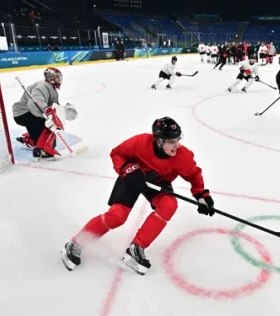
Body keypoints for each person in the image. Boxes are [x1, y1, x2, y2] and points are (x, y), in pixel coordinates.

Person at [61, 117, 215, 275]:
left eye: (177, 139)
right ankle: (76, 243)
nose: (176, 145)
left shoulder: (183, 156)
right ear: (158, 141)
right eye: (171, 141)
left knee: (169, 205)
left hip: (158, 181)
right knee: (117, 216)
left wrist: (201, 195)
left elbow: (194, 175)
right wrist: (127, 168)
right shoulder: (140, 142)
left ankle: (136, 248)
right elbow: (117, 153)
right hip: (133, 176)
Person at [13, 67, 64, 159]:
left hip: (30, 114)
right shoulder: (42, 86)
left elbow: (54, 106)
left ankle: (28, 140)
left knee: (48, 131)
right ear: (50, 78)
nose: (59, 79)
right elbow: (34, 104)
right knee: (47, 129)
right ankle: (40, 150)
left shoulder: (51, 89)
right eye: (57, 77)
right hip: (24, 113)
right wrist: (47, 114)